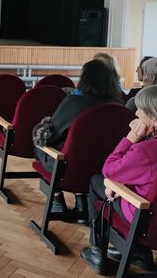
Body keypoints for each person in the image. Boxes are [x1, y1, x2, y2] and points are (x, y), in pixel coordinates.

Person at [80, 85, 157, 274]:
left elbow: (109, 170)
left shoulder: (146, 151)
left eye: (141, 110)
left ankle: (98, 252)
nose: (136, 113)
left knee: (97, 181)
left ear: (156, 119)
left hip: (149, 222)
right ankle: (139, 254)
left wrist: (130, 138)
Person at [32, 59, 122, 214]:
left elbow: (50, 135)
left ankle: (56, 198)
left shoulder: (73, 102)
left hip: (68, 171)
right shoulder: (119, 106)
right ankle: (82, 200)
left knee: (40, 144)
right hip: (102, 170)